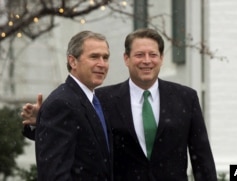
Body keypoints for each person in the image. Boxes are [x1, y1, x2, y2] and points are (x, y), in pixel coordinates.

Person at [22, 28, 217, 180]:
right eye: (140, 55)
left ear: (161, 58)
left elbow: (202, 158)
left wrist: (43, 118)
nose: (147, 61)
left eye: (153, 54)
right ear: (126, 58)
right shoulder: (102, 99)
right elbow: (77, 137)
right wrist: (42, 119)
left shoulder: (186, 98)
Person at [22, 30, 113, 180]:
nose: (102, 64)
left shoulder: (95, 100)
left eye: (105, 57)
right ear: (73, 61)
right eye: (94, 57)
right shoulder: (62, 103)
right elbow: (54, 174)